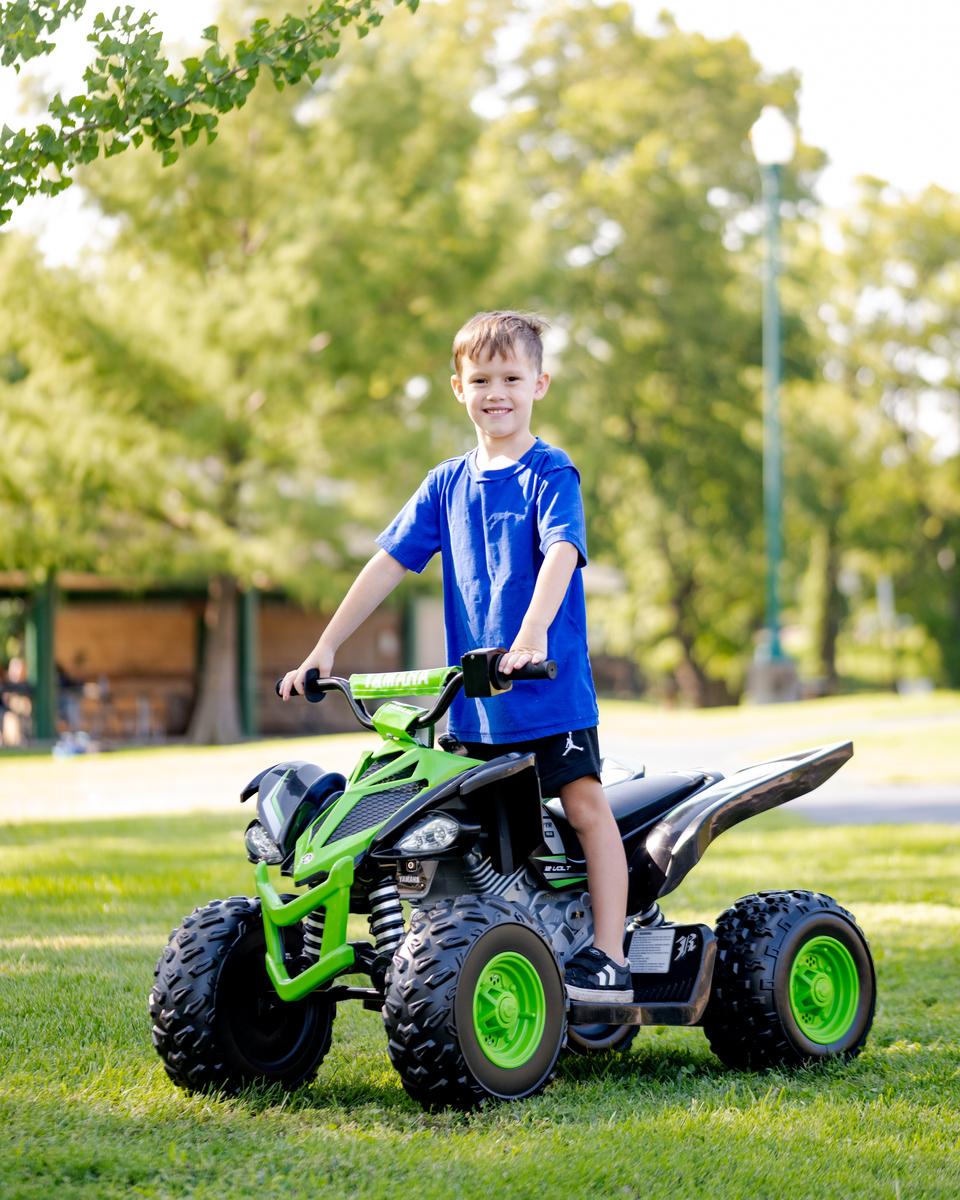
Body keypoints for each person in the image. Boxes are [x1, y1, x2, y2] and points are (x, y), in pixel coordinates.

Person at [281, 310, 631, 1002]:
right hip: (469, 706)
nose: (495, 391)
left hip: (545, 691)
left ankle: (610, 952)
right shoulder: (446, 484)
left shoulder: (549, 471)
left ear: (540, 384)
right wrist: (326, 645)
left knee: (586, 806)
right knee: (452, 834)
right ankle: (466, 955)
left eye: (510, 377)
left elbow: (562, 552)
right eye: (481, 379)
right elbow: (386, 564)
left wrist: (530, 637)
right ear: (457, 388)